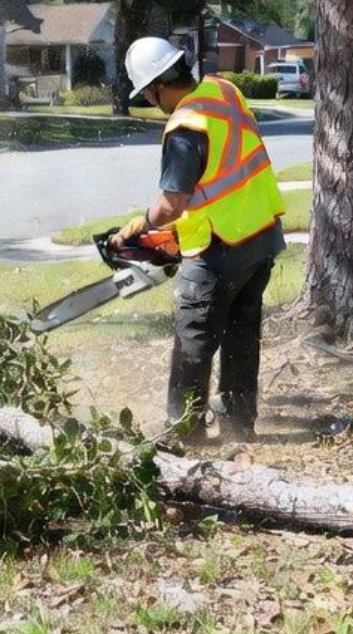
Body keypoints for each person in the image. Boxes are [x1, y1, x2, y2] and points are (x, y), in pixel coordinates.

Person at [111, 36, 286, 444]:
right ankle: (239, 426)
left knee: (194, 338)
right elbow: (221, 175)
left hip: (219, 247)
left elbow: (172, 203)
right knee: (242, 337)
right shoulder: (224, 90)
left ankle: (185, 431)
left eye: (149, 95)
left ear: (156, 87)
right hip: (259, 236)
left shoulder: (185, 126)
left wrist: (144, 223)